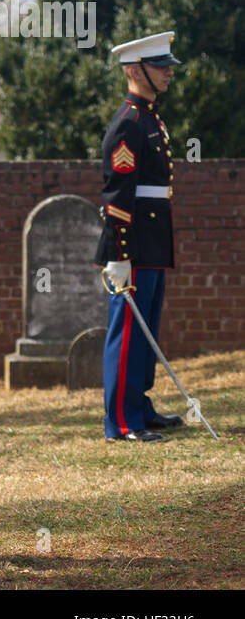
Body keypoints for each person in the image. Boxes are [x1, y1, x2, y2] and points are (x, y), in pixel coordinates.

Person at [95, 31, 182, 442]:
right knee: (128, 332)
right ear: (135, 70)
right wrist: (119, 254)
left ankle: (139, 408)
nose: (168, 72)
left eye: (167, 65)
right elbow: (116, 194)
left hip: (153, 237)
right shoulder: (129, 123)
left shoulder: (149, 118)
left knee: (146, 328)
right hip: (133, 243)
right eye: (159, 66)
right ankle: (121, 422)